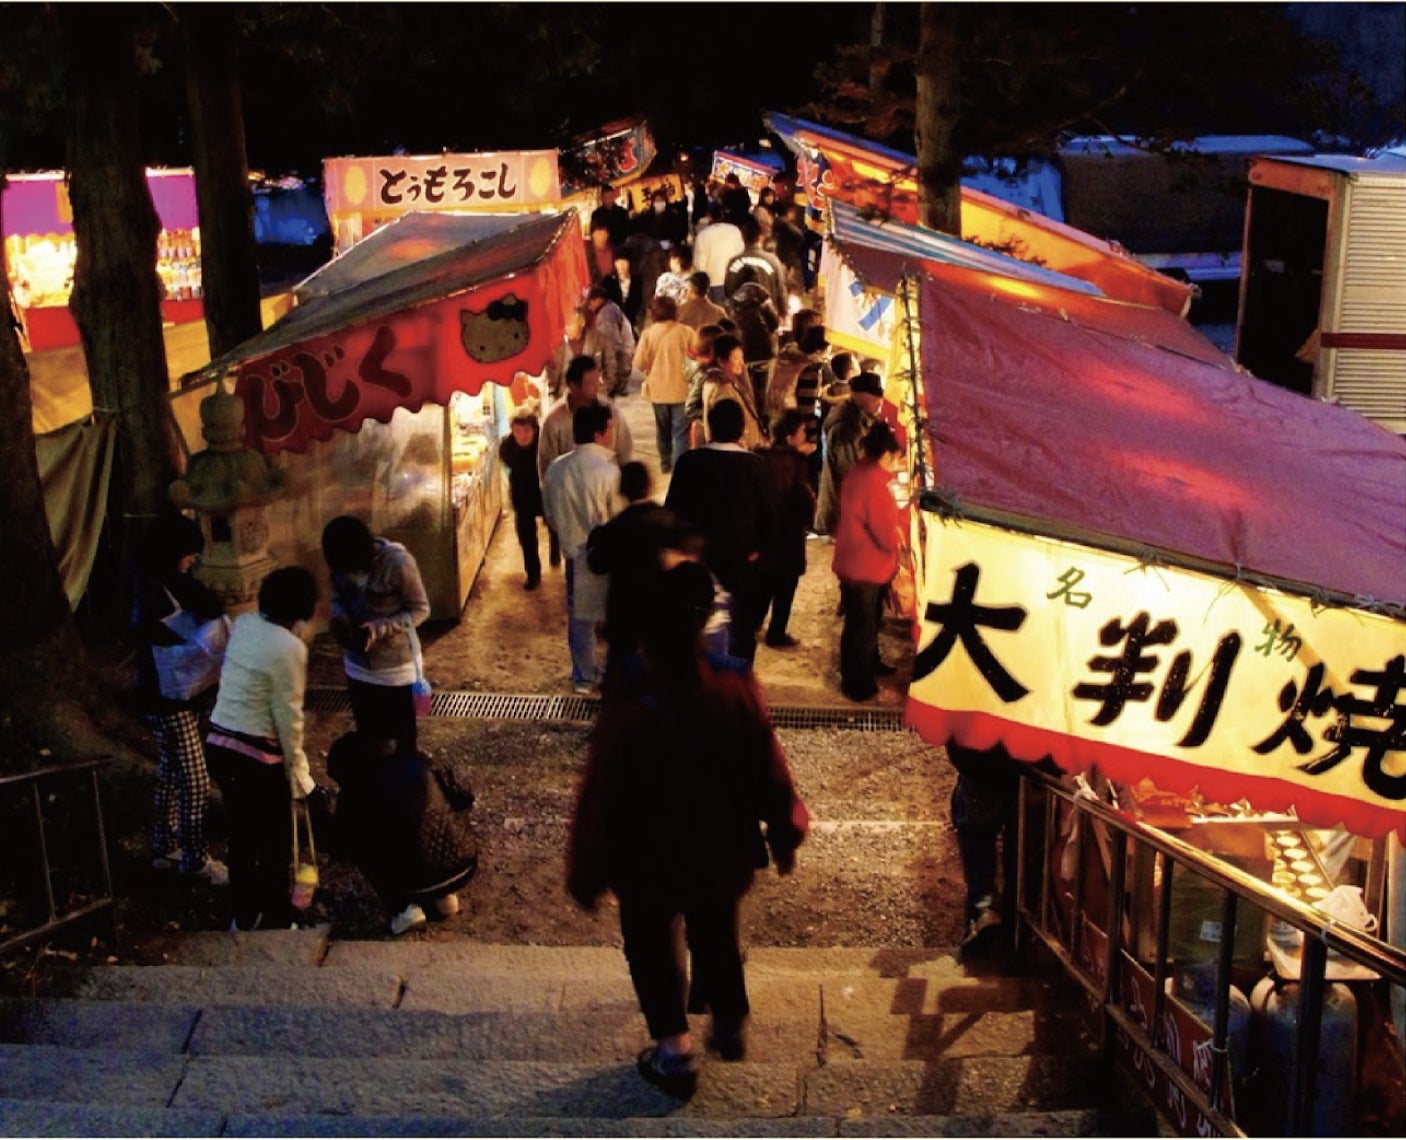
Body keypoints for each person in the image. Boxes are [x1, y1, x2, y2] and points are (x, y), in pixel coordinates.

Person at [566, 560, 809, 1098]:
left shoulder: (631, 696)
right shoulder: (734, 685)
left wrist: (587, 869)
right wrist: (785, 832)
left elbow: (602, 786)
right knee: (716, 929)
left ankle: (675, 1051)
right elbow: (768, 769)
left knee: (650, 942)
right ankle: (729, 1019)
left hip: (645, 854)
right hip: (720, 846)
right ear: (704, 622)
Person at [205, 566, 319, 932]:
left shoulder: (245, 625)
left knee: (242, 836)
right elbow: (288, 716)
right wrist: (298, 771)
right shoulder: (290, 649)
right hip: (255, 756)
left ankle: (242, 915)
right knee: (275, 840)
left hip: (220, 744)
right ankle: (276, 918)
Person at [131, 513, 228, 884]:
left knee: (171, 772)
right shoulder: (158, 591)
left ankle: (164, 847)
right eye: (189, 553)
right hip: (167, 698)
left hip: (165, 693)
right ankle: (195, 859)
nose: (194, 559)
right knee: (195, 778)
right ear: (172, 552)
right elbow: (205, 610)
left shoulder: (151, 582)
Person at [325, 731, 478, 937]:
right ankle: (445, 896)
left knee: (365, 847)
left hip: (414, 882)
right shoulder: (419, 760)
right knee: (425, 833)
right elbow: (464, 797)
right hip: (463, 863)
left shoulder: (355, 791)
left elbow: (341, 847)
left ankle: (405, 908)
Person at [665, 399, 772, 664]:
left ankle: (699, 676)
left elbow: (673, 513)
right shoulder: (757, 466)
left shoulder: (689, 462)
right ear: (742, 428)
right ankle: (737, 678)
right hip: (742, 560)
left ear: (710, 427)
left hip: (697, 560)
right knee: (741, 628)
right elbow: (769, 517)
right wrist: (758, 551)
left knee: (697, 627)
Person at [322, 515, 432, 752]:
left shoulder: (398, 563)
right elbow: (337, 597)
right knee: (369, 739)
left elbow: (420, 609)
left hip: (395, 669)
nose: (349, 573)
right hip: (357, 667)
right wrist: (340, 615)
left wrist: (379, 628)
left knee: (402, 744)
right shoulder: (340, 563)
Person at [542, 403, 621, 694]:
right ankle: (612, 675)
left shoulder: (556, 468)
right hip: (605, 554)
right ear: (599, 433)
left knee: (580, 618)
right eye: (609, 428)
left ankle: (584, 677)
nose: (612, 433)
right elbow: (619, 517)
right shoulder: (609, 472)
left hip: (573, 553)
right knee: (614, 615)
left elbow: (550, 514)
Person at [586, 461, 683, 686]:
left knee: (623, 675)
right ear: (650, 486)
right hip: (664, 610)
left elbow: (597, 564)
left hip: (625, 610)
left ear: (622, 490)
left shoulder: (615, 527)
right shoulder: (670, 521)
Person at [832, 422, 904, 703]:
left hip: (854, 560)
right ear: (885, 455)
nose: (897, 463)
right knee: (862, 627)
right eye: (896, 457)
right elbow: (885, 535)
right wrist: (898, 534)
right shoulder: (874, 483)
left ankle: (869, 664)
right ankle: (857, 684)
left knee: (863, 622)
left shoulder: (859, 472)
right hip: (865, 565)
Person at [946, 741, 1026, 961]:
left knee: (976, 833)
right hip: (1029, 772)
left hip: (982, 764)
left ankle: (983, 911)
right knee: (1022, 854)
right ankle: (1016, 931)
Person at [758, 409, 818, 650]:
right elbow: (804, 499)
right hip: (789, 535)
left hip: (764, 534)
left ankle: (753, 623)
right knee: (785, 588)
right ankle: (776, 633)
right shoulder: (797, 462)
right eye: (802, 431)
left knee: (763, 584)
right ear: (789, 436)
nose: (805, 435)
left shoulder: (759, 458)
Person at [538, 353, 634, 481]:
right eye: (590, 383)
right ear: (573, 386)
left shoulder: (611, 411)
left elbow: (624, 452)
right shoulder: (554, 421)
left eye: (597, 380)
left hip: (609, 485)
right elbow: (547, 468)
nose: (597, 386)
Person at [815, 369, 883, 537]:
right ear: (863, 397)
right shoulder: (845, 426)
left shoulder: (859, 418)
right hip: (841, 514)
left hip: (848, 512)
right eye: (876, 399)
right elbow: (850, 470)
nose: (879, 404)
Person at [632, 293, 695, 474]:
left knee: (662, 429)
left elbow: (639, 363)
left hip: (658, 391)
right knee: (681, 433)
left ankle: (665, 462)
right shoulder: (687, 332)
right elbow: (696, 358)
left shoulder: (648, 334)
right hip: (682, 389)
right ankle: (680, 467)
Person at [498, 408, 550, 590]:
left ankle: (555, 549)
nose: (522, 436)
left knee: (554, 526)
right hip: (522, 495)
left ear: (535, 430)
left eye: (527, 430)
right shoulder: (507, 446)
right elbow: (507, 462)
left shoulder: (544, 444)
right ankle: (533, 574)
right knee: (526, 537)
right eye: (518, 431)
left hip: (544, 492)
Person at [724, 276, 781, 424]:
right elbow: (774, 323)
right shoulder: (763, 298)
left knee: (744, 387)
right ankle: (761, 420)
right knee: (761, 388)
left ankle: (747, 418)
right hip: (763, 351)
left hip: (742, 353)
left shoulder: (732, 303)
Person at [701, 332, 764, 450]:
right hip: (738, 451)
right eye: (735, 358)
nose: (741, 363)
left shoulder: (728, 382)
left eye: (741, 357)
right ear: (721, 361)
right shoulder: (721, 388)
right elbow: (727, 428)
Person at [723, 216, 787, 316]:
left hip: (742, 318)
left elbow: (728, 291)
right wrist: (784, 313)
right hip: (768, 317)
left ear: (743, 237)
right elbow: (781, 291)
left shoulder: (734, 262)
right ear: (760, 237)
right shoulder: (773, 261)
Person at [583, 284, 636, 398]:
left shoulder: (606, 314)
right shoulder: (610, 307)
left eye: (590, 302)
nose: (588, 306)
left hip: (622, 356)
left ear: (598, 300)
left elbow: (611, 343)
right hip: (623, 353)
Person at [544, 308, 603, 402]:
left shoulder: (596, 339)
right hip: (564, 398)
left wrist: (601, 393)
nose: (566, 328)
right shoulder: (557, 346)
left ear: (581, 323)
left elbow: (609, 369)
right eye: (565, 324)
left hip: (592, 397)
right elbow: (550, 382)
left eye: (570, 324)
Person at [691, 202, 744, 303]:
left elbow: (699, 263)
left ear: (708, 216)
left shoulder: (703, 235)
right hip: (733, 279)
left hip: (713, 282)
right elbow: (741, 253)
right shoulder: (734, 230)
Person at [590, 182, 631, 248]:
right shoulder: (597, 214)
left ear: (614, 197)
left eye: (611, 197)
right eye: (606, 197)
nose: (609, 200)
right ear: (602, 198)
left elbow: (627, 231)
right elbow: (594, 234)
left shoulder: (622, 212)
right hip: (604, 248)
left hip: (621, 247)